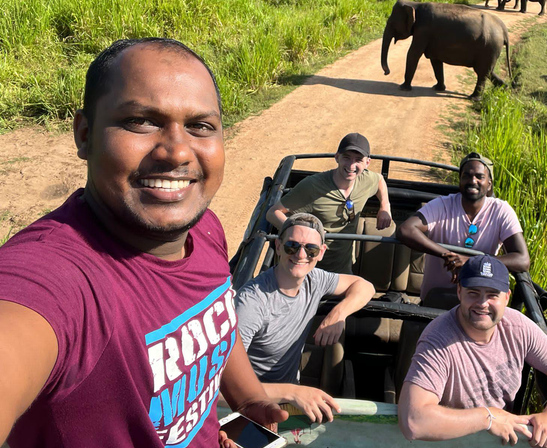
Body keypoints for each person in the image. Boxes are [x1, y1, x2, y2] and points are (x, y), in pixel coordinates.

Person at [0, 38, 287, 448]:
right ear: (85, 135)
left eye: (200, 126)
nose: (176, 151)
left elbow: (215, 317)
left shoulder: (205, 230)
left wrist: (249, 398)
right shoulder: (58, 279)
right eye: (140, 121)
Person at [398, 255, 547, 448]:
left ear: (506, 297)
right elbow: (414, 421)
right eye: (473, 293)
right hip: (452, 440)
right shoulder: (438, 340)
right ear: (459, 292)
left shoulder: (519, 327)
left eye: (492, 295)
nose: (482, 303)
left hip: (502, 439)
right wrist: (488, 417)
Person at [235, 213, 375, 424]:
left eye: (311, 249)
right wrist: (292, 392)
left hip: (291, 398)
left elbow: (365, 286)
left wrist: (338, 314)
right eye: (292, 246)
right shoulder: (251, 302)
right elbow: (221, 385)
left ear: (321, 253)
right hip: (251, 404)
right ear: (279, 246)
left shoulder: (314, 279)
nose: (301, 255)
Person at [396, 152, 529, 307]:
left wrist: (472, 263)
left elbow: (522, 260)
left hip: (480, 302)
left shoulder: (501, 211)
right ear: (460, 181)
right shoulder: (442, 205)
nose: (473, 181)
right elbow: (405, 230)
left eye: (480, 176)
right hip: (435, 301)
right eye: (466, 176)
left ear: (489, 184)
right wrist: (447, 256)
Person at [266, 133, 391, 274]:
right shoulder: (312, 186)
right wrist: (303, 234)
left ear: (367, 163)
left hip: (342, 269)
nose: (351, 165)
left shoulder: (366, 180)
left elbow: (380, 180)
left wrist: (385, 207)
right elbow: (272, 213)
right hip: (305, 268)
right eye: (346, 158)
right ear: (337, 157)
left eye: (358, 160)